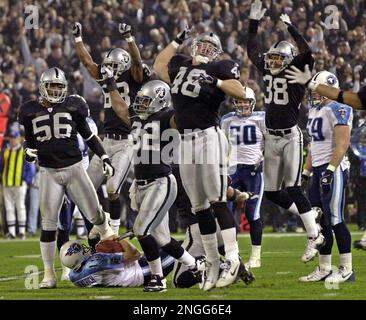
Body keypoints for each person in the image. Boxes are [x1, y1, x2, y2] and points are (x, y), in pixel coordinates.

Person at [154, 26, 246, 291]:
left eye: (210, 46)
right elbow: (159, 66)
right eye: (201, 44)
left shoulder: (221, 67)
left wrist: (215, 82)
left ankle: (232, 258)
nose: (205, 48)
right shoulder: (180, 64)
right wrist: (176, 39)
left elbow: (240, 91)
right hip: (184, 141)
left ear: (216, 51)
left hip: (208, 137)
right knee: (199, 206)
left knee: (217, 200)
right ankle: (213, 265)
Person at [18, 67, 116, 289]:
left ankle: (115, 260)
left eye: (59, 86)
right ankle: (49, 274)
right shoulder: (29, 110)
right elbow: (29, 142)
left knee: (97, 217)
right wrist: (27, 152)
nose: (55, 89)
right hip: (48, 172)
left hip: (74, 169)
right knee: (49, 224)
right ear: (43, 86)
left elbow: (90, 136)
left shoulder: (73, 106)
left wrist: (105, 156)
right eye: (52, 85)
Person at [247, 0, 324, 263]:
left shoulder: (296, 72)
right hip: (271, 137)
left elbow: (308, 51)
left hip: (291, 136)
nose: (274, 60)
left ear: (290, 60)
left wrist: (291, 28)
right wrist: (253, 23)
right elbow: (252, 50)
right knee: (271, 192)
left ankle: (313, 234)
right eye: (273, 57)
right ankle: (310, 217)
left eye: (280, 57)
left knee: (292, 187)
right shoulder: (268, 71)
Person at [72, 22, 149, 235]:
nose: (109, 69)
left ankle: (114, 231)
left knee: (114, 187)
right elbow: (87, 62)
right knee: (85, 189)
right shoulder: (107, 79)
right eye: (108, 66)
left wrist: (129, 39)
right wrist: (78, 40)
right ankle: (100, 228)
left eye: (113, 65)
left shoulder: (133, 77)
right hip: (106, 141)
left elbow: (137, 61)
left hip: (126, 141)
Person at [129, 80, 205, 292]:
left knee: (141, 229)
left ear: (159, 100)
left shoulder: (165, 116)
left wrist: (185, 100)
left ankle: (157, 278)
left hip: (161, 181)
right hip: (144, 183)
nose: (141, 105)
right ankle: (195, 264)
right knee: (161, 238)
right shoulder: (140, 121)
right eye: (140, 101)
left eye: (145, 101)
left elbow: (178, 120)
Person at [299, 71, 355, 284]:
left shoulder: (339, 108)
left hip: (335, 167)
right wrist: (306, 171)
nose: (313, 93)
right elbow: (314, 146)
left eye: (318, 88)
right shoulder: (315, 110)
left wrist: (330, 170)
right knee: (320, 223)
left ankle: (346, 268)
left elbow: (342, 144)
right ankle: (324, 268)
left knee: (335, 218)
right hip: (318, 169)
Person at [220, 87, 265, 268]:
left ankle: (256, 256)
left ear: (252, 102)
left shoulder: (261, 118)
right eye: (239, 100)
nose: (242, 104)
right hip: (232, 170)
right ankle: (232, 254)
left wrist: (266, 160)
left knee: (252, 213)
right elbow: (222, 144)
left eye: (245, 101)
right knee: (226, 213)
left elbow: (270, 143)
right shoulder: (227, 119)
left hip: (253, 169)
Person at [60, 239, 175, 288]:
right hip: (144, 272)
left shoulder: (73, 276)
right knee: (180, 249)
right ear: (77, 257)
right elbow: (134, 254)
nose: (86, 250)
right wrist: (118, 237)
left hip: (136, 268)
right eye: (83, 250)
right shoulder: (97, 262)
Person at [0, 130, 36, 239]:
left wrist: (27, 180)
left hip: (20, 183)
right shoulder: (6, 151)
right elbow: (1, 166)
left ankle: (21, 232)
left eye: (14, 138)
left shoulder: (23, 151)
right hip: (7, 183)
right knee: (9, 208)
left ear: (19, 138)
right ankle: (11, 232)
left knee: (20, 206)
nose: (12, 140)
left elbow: (31, 167)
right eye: (11, 138)